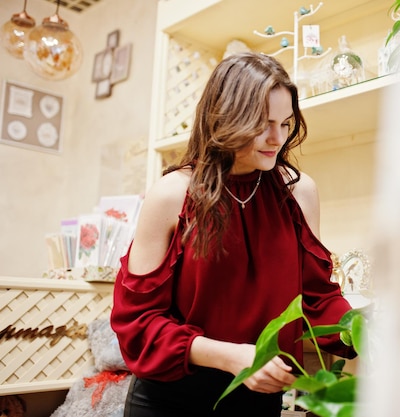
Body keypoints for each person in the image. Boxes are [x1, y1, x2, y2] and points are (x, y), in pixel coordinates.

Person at [110, 52, 356, 417]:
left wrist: (367, 332)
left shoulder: (299, 192)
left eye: (286, 123)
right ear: (225, 118)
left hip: (257, 399)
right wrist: (230, 356)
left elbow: (317, 300)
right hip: (171, 399)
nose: (277, 138)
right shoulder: (172, 194)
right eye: (262, 123)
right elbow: (138, 323)